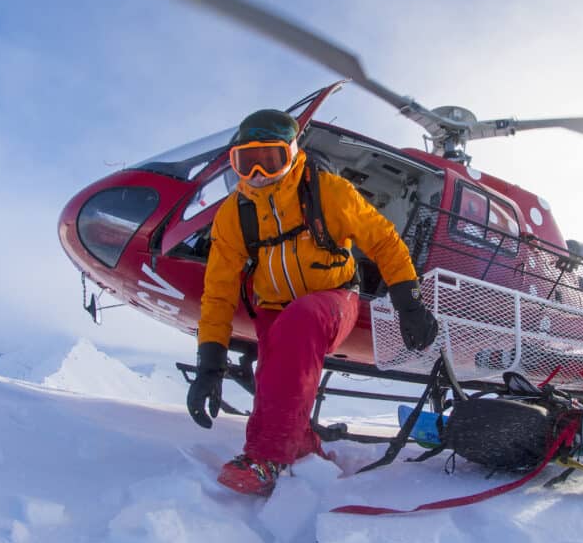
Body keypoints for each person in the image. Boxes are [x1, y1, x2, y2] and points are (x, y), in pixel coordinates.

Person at [187, 109, 438, 495]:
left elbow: (384, 241)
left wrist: (410, 304)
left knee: (300, 322)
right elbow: (218, 291)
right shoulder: (232, 216)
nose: (258, 174)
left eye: (270, 160)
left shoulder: (329, 192)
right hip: (273, 308)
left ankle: (265, 457)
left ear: (292, 154)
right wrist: (209, 365)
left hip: (335, 297)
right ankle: (306, 451)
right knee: (276, 376)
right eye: (246, 164)